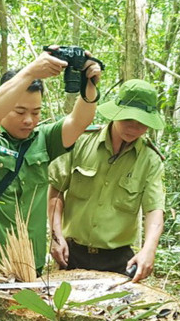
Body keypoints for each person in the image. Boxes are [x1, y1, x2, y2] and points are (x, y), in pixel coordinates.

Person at [0, 48, 102, 275]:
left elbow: (79, 122)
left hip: (30, 265)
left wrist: (89, 84)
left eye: (36, 112)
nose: (28, 120)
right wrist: (30, 72)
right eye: (19, 111)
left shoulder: (44, 139)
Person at [48, 79, 165, 281]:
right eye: (128, 119)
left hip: (119, 261)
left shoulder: (150, 160)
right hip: (71, 254)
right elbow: (55, 193)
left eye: (142, 123)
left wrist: (149, 249)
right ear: (116, 113)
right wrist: (56, 236)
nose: (134, 128)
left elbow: (154, 210)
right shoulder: (81, 141)